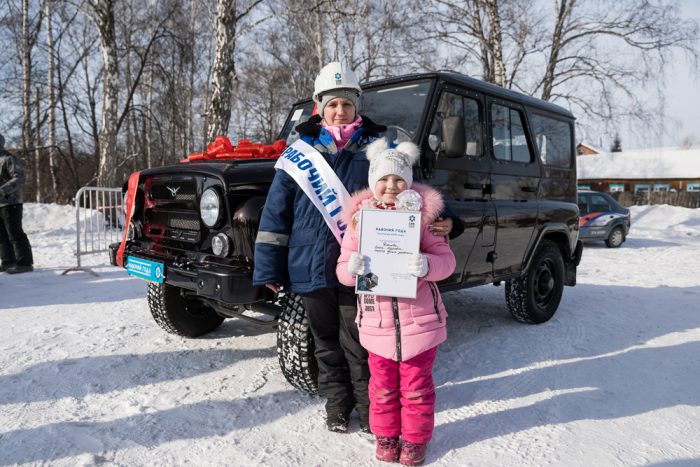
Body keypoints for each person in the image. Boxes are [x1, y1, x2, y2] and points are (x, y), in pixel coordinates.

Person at [252, 62, 456, 434]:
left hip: (364, 265)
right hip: (309, 265)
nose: (339, 111)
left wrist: (447, 217)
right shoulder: (298, 154)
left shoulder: (379, 147)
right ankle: (336, 405)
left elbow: (410, 186)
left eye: (346, 103)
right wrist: (268, 268)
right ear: (319, 107)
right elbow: (274, 215)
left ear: (356, 106)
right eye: (332, 105)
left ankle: (367, 410)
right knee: (325, 343)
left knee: (360, 344)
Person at [336, 138, 455, 465]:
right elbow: (343, 272)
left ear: (409, 182)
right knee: (383, 388)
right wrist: (352, 268)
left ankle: (415, 441)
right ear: (373, 184)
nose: (391, 186)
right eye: (384, 180)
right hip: (377, 327)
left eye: (399, 179)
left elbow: (447, 262)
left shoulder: (422, 219)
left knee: (417, 389)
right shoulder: (360, 223)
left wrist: (426, 265)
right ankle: (386, 436)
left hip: (420, 325)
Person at [0, 133, 33, 274]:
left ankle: (25, 263)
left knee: (14, 232)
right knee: (1, 234)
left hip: (11, 202)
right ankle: (8, 261)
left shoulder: (9, 159)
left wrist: (2, 190)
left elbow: (20, 178)